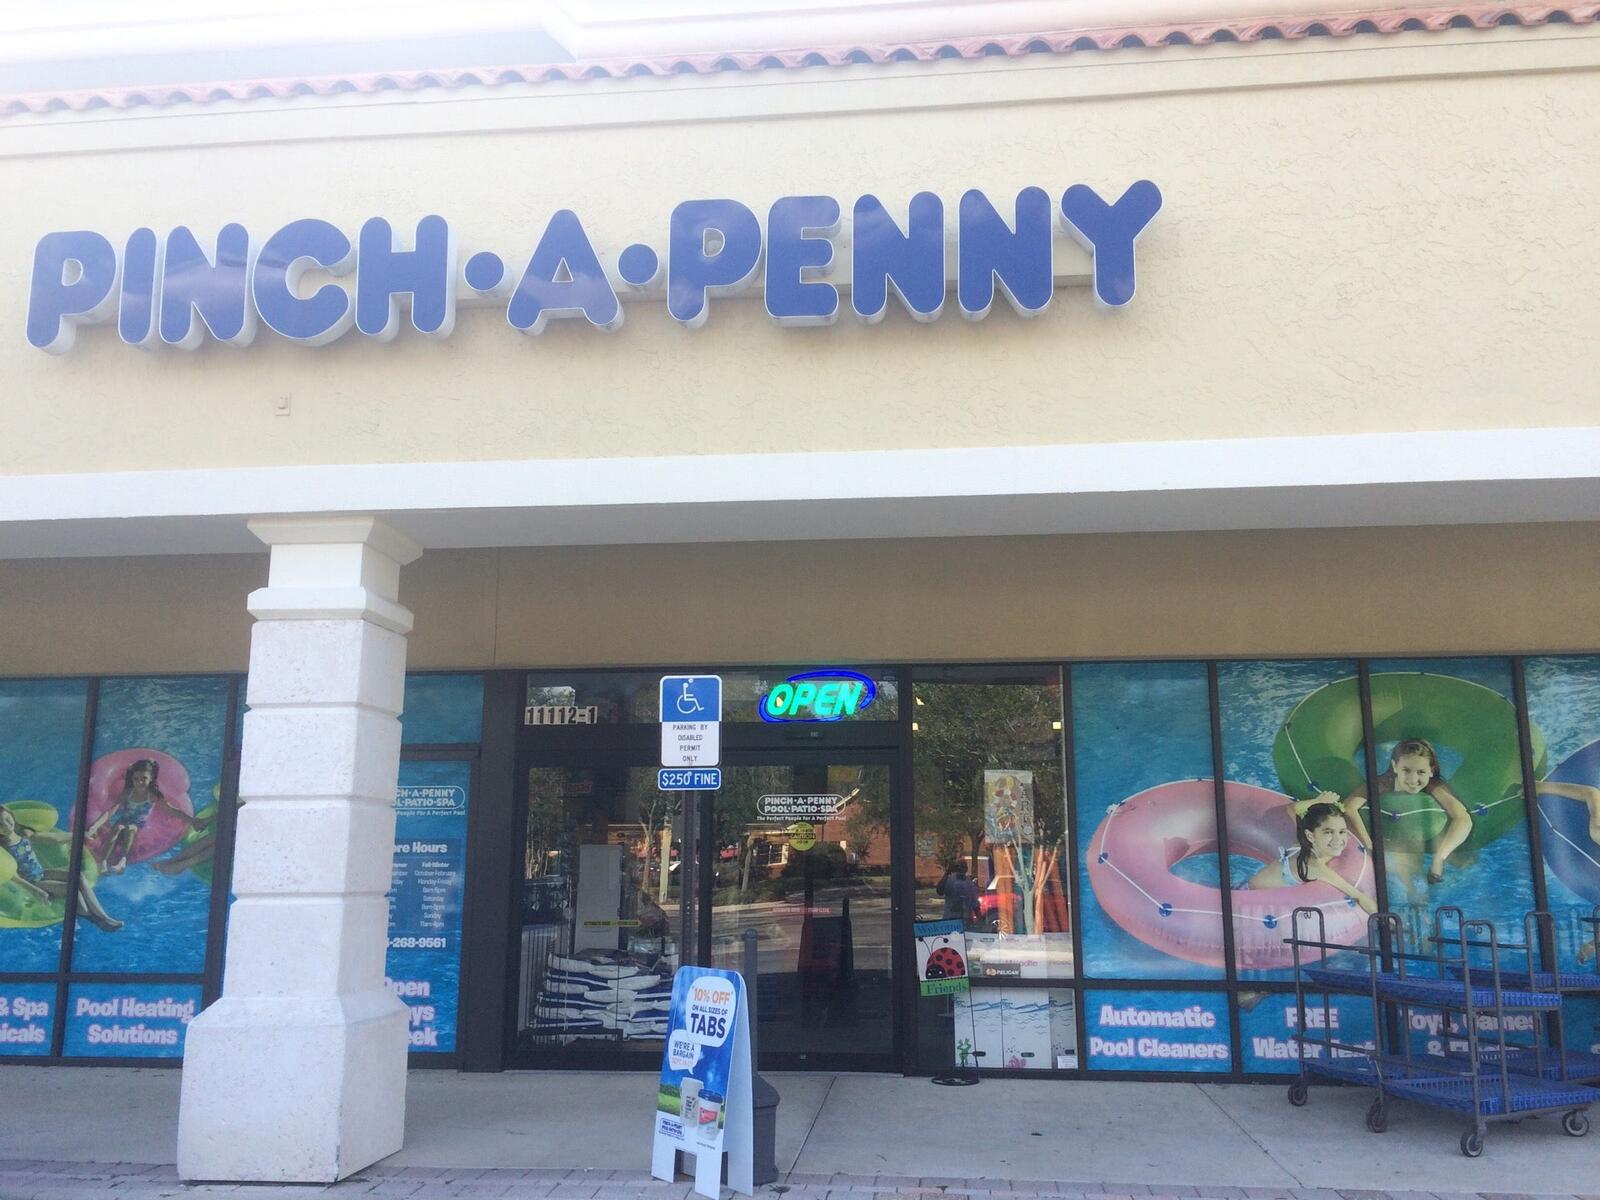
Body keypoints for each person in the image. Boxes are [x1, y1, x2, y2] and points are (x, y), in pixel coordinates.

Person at [1341, 739, 1471, 885]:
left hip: (1422, 846)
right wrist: (1371, 847)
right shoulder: (1384, 783)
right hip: (1390, 847)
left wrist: (1439, 857)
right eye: (1406, 770)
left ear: (1431, 771)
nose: (1413, 779)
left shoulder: (1434, 786)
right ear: (1395, 767)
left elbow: (1463, 818)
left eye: (1421, 772)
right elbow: (1349, 807)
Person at [0, 803, 123, 932]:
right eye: (1, 825)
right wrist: (36, 891)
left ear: (12, 816)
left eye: (8, 820)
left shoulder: (23, 833)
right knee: (71, 889)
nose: (7, 826)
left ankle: (104, 916)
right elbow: (11, 874)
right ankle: (94, 918)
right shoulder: (2, 847)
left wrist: (80, 835)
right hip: (31, 881)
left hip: (40, 872)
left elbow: (54, 838)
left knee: (79, 877)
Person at [1246, 800, 1377, 916]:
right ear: (1310, 836)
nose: (1338, 839)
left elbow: (1292, 809)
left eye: (1342, 831)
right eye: (1328, 832)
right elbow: (1360, 897)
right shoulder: (1314, 865)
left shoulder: (1302, 841)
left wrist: (1318, 800)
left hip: (1253, 886)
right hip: (1249, 902)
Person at [86, 759, 206, 874]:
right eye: (136, 779)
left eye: (144, 778)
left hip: (138, 824)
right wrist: (95, 826)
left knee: (130, 828)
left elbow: (171, 810)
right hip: (123, 821)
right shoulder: (128, 792)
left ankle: (122, 861)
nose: (140, 782)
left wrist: (192, 820)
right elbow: (111, 811)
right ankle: (103, 862)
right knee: (118, 828)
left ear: (151, 778)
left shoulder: (152, 795)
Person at [935, 859, 980, 925]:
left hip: (954, 921)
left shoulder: (969, 883)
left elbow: (939, 891)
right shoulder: (969, 883)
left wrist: (947, 872)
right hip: (959, 922)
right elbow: (975, 906)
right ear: (966, 869)